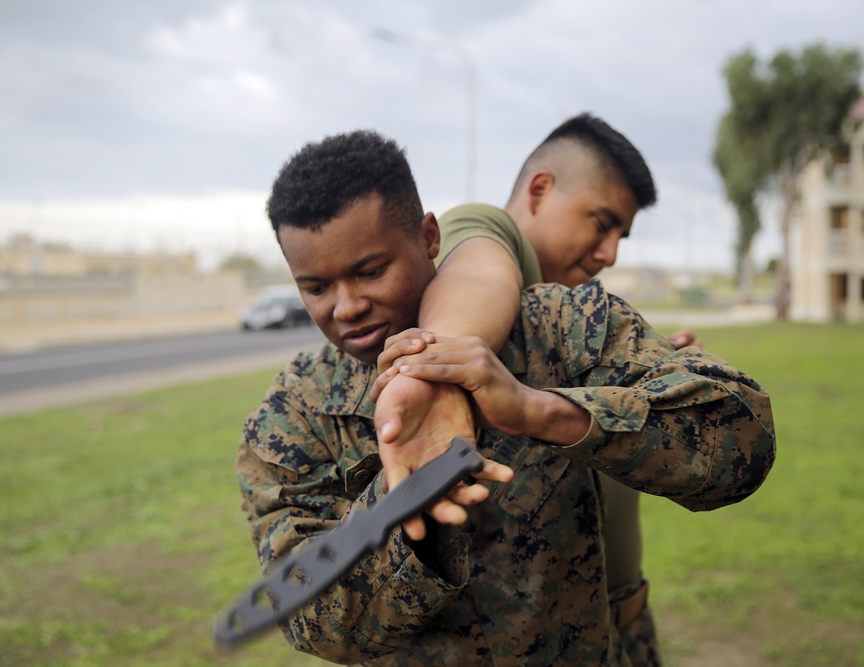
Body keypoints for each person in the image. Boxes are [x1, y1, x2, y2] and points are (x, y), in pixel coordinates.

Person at [236, 129, 776, 665]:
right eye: (316, 287)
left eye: (371, 271)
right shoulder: (294, 411)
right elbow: (311, 619)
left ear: (429, 238)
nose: (347, 306)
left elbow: (742, 436)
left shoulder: (561, 327)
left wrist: (538, 411)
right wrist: (404, 504)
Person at [373, 113, 692, 665]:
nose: (610, 252)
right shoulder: (487, 231)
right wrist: (436, 371)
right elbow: (477, 276)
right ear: (540, 190)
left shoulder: (566, 306)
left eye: (622, 235)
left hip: (624, 626)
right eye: (601, 222)